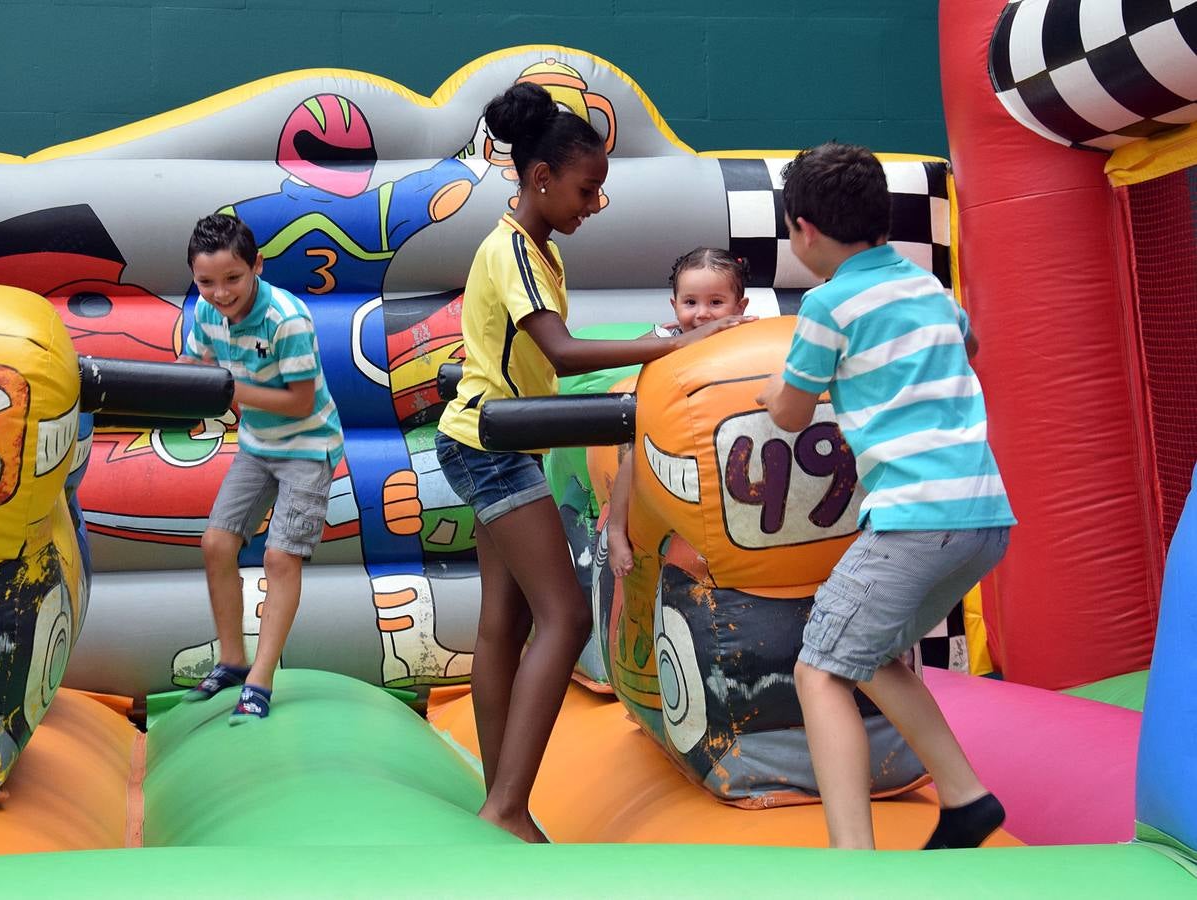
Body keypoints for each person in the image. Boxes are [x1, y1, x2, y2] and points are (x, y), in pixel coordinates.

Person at [435, 82, 751, 842]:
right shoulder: (511, 249)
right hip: (490, 448)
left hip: (494, 440)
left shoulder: (535, 247)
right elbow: (563, 353)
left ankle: (496, 795)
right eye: (586, 190)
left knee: (504, 621)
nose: (592, 205)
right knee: (565, 612)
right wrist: (675, 345)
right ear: (539, 177)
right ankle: (506, 807)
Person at [755, 142, 1015, 850]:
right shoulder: (926, 288)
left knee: (818, 670)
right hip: (983, 516)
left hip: (912, 519)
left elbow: (788, 414)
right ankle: (964, 799)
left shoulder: (827, 304)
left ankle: (853, 863)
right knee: (868, 656)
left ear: (802, 229)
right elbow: (971, 342)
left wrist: (766, 390)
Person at [179, 213, 343, 724]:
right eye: (206, 281)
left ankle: (260, 680)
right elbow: (196, 369)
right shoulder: (205, 313)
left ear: (257, 266)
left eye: (233, 278)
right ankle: (231, 659)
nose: (220, 292)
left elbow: (297, 402)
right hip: (257, 445)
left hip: (307, 447)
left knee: (280, 559)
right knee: (216, 544)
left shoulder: (286, 319)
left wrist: (226, 388)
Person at [607, 247, 750, 578]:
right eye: (690, 303)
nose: (701, 314)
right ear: (675, 305)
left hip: (722, 431)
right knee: (632, 453)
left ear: (739, 308)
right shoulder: (670, 338)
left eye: (716, 303)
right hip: (668, 432)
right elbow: (633, 354)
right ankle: (616, 529)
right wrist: (662, 338)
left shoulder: (745, 337)